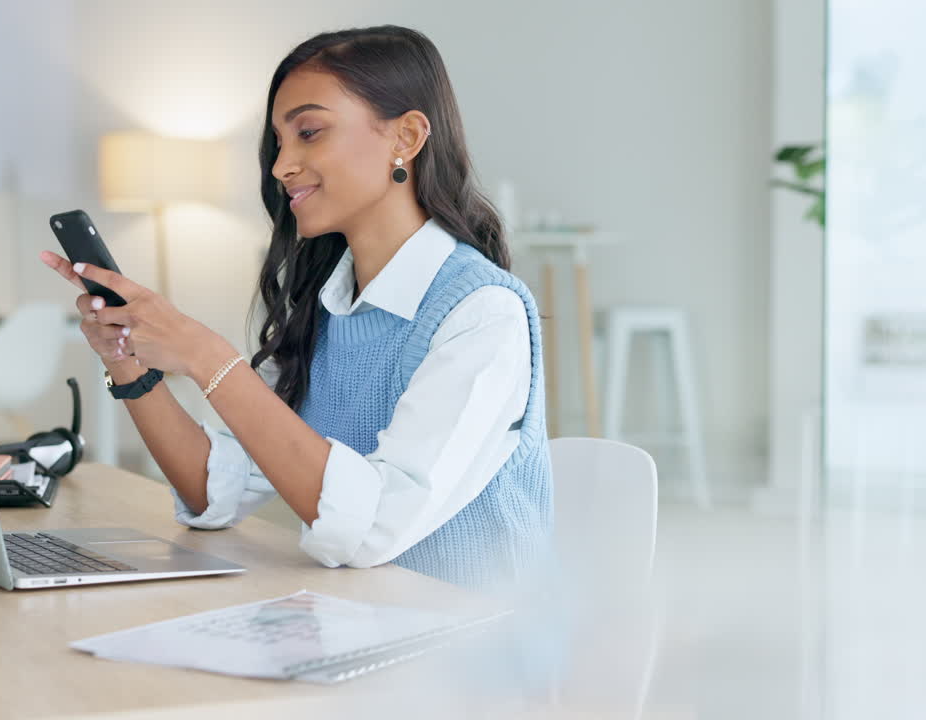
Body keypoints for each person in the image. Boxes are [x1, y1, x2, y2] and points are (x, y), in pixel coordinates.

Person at [41, 25, 551, 587]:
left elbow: (373, 528)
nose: (282, 166)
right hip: (358, 619)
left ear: (406, 137)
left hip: (472, 654)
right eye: (279, 143)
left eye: (309, 132)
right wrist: (127, 364)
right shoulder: (322, 302)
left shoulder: (481, 312)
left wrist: (209, 359)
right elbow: (216, 488)